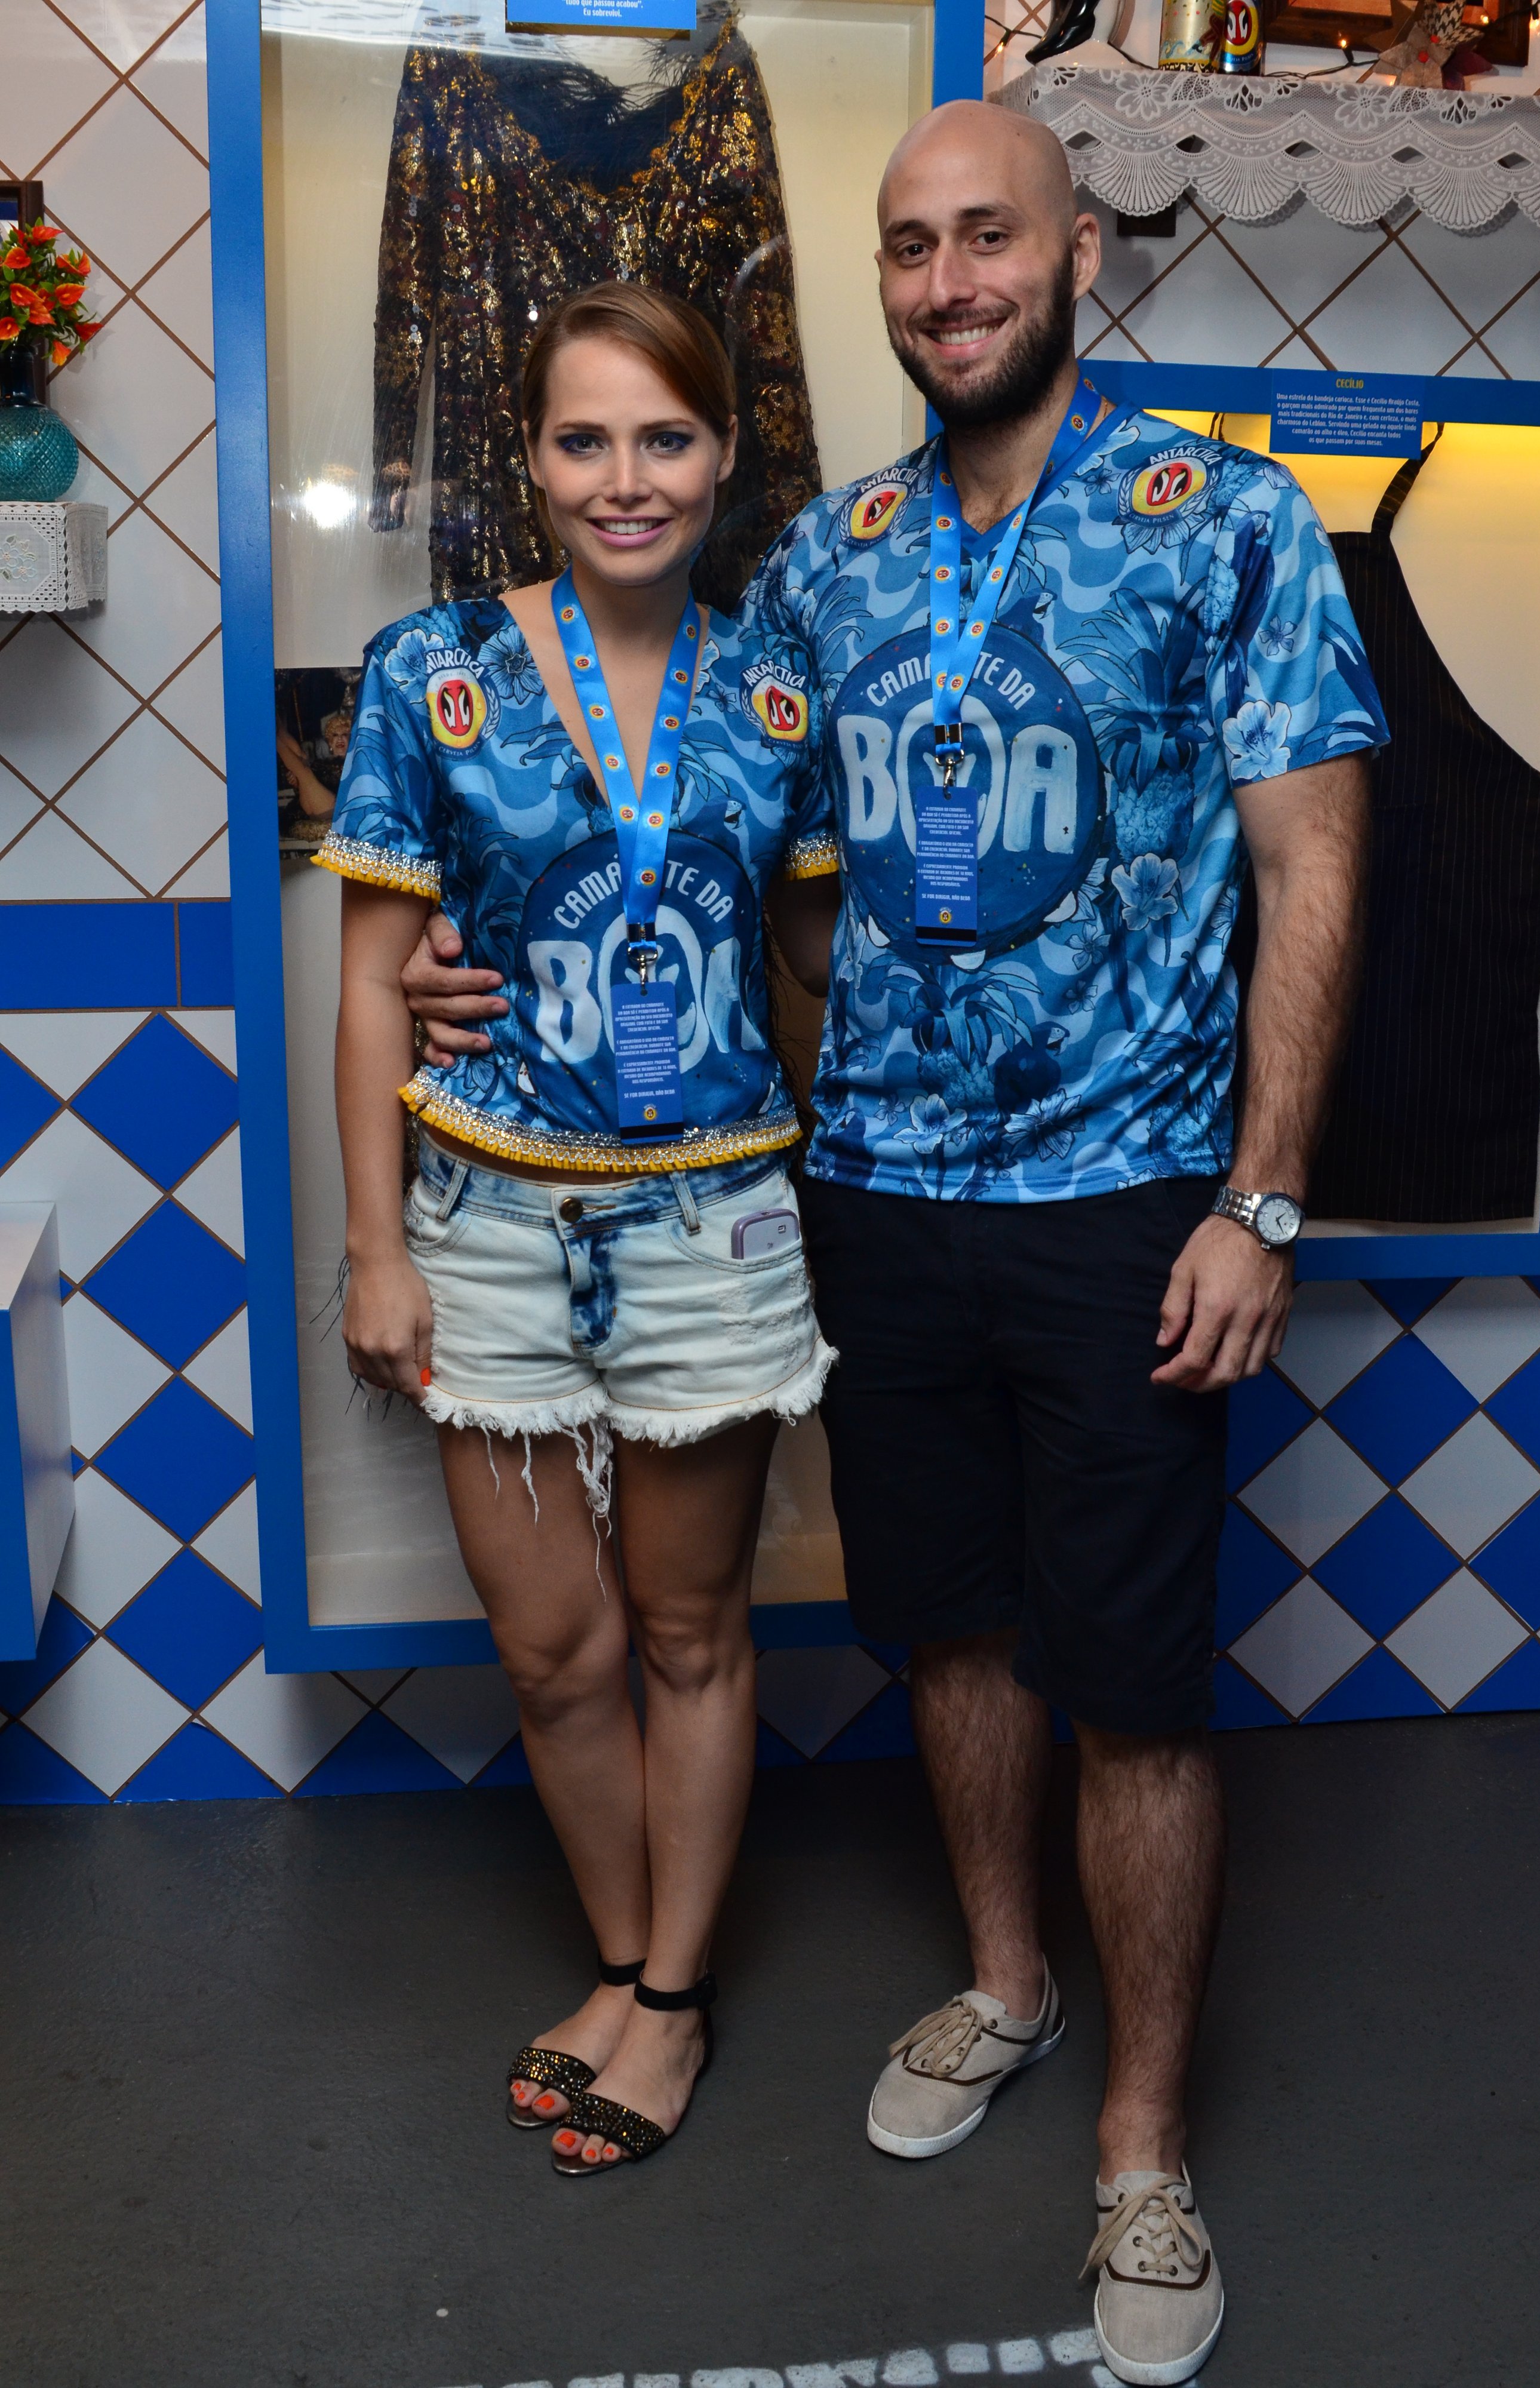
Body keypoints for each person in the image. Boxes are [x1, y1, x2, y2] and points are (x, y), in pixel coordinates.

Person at [404, 105, 1386, 2379]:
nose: (949, 282)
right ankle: (1007, 1989)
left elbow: (1314, 864)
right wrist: (467, 962)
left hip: (1128, 1206)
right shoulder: (826, 565)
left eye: (988, 238)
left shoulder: (1223, 520)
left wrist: (1259, 1196)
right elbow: (685, 834)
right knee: (946, 1631)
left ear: (1079, 253)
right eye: (911, 248)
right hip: (868, 1195)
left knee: (1134, 1689)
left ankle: (1141, 2151)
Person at [319, 282, 838, 2180]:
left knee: (688, 1634)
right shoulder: (432, 670)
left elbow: (813, 960)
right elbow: (371, 981)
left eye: (666, 438)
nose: (628, 479)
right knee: (551, 1649)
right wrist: (379, 1252)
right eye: (584, 439)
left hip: (711, 1229)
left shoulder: (777, 690)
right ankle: (621, 1964)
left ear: (723, 456)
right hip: (483, 1227)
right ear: (531, 463)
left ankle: (673, 2002)